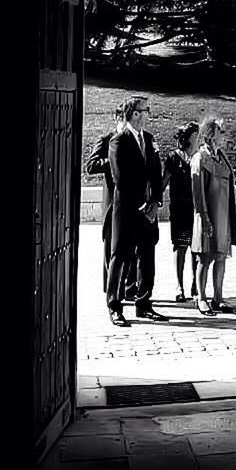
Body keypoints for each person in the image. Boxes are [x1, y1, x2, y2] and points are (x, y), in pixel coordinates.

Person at [106, 96, 166, 326]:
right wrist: (140, 203)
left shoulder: (149, 139)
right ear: (134, 114)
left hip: (147, 210)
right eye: (144, 110)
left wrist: (156, 202)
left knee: (147, 256)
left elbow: (156, 173)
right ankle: (114, 305)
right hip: (127, 210)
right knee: (120, 256)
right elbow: (120, 178)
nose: (147, 114)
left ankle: (144, 304)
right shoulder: (119, 141)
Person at [191, 116, 236, 316]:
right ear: (211, 135)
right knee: (204, 257)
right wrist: (205, 217)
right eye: (221, 131)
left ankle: (218, 297)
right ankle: (201, 298)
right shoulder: (200, 158)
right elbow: (198, 192)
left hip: (223, 216)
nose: (224, 135)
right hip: (208, 215)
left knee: (221, 257)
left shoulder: (222, 156)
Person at [85, 102, 125, 295]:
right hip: (112, 203)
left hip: (132, 201)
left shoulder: (137, 141)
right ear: (117, 119)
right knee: (111, 248)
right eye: (124, 119)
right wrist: (112, 161)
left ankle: (129, 288)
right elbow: (91, 166)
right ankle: (111, 289)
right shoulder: (107, 139)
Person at [162, 122, 200, 302]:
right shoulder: (173, 158)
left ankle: (195, 284)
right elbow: (164, 182)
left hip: (196, 208)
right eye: (195, 134)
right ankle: (179, 285)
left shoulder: (200, 157)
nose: (198, 138)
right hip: (179, 208)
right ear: (189, 137)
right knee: (180, 246)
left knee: (196, 248)